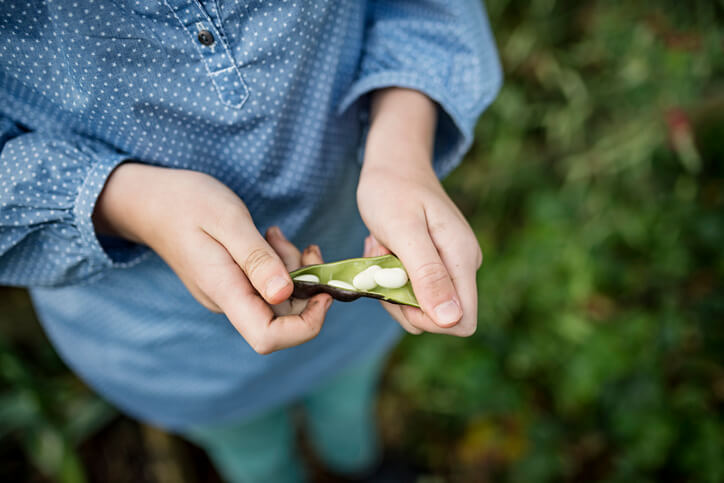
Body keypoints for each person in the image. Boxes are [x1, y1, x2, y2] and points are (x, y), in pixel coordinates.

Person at [0, 1, 501, 481]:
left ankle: (356, 465)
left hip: (349, 256)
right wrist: (131, 204)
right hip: (167, 342)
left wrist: (401, 148)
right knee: (252, 452)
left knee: (348, 402)